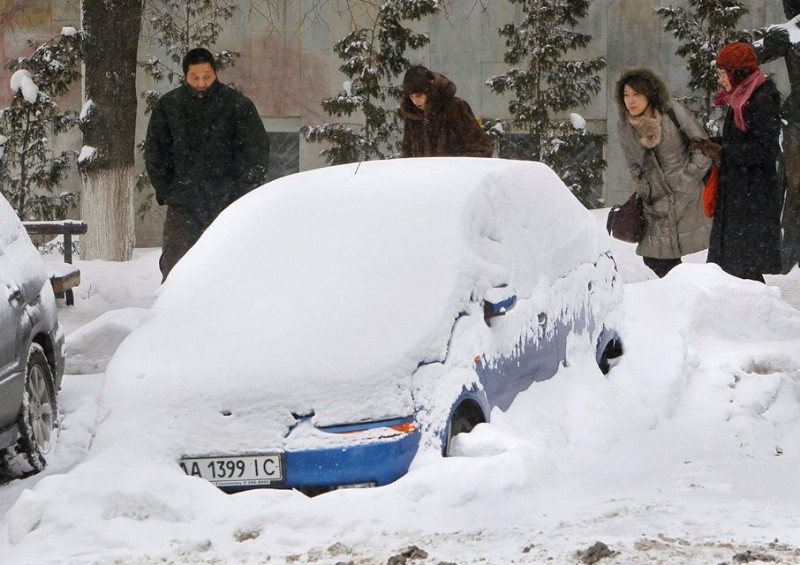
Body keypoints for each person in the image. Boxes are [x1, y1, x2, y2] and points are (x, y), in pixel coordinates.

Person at [145, 47, 270, 282]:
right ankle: (171, 317)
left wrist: (240, 195)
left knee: (229, 270)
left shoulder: (237, 106)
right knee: (175, 271)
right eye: (195, 77)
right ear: (185, 75)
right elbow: (155, 154)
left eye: (207, 76)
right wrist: (171, 192)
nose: (201, 83)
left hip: (228, 207)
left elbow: (256, 155)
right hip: (184, 207)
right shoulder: (169, 107)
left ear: (215, 73)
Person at [693, 43, 783, 283]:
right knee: (730, 268)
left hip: (752, 200)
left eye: (723, 73)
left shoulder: (760, 100)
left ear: (737, 73)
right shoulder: (740, 98)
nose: (720, 80)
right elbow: (742, 141)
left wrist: (724, 151)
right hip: (737, 196)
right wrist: (714, 144)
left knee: (743, 270)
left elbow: (766, 149)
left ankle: (762, 316)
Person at [615, 68, 712, 278]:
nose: (630, 101)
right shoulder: (624, 125)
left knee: (690, 257)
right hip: (655, 202)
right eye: (626, 95)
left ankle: (688, 296)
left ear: (649, 94)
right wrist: (643, 187)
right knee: (655, 258)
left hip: (685, 195)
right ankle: (685, 295)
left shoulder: (671, 112)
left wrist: (689, 178)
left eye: (636, 95)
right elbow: (633, 164)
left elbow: (702, 146)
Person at [757, 0, 800, 272]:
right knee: (795, 188)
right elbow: (747, 57)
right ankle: (788, 255)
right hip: (797, 120)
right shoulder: (790, 32)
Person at [399, 65, 492, 158]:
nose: (415, 101)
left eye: (419, 95)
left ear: (429, 89)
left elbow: (481, 149)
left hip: (455, 171)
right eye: (411, 97)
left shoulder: (456, 108)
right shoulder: (412, 115)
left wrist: (456, 168)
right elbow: (407, 155)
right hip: (424, 172)